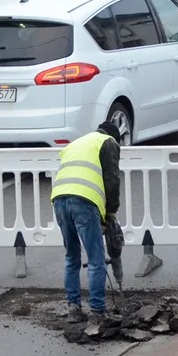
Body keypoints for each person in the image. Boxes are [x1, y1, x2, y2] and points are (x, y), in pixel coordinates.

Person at [51, 122, 122, 323]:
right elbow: (112, 179)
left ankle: (73, 308)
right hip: (84, 201)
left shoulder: (77, 143)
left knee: (71, 256)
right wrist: (111, 213)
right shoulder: (108, 142)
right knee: (95, 258)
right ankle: (98, 311)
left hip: (59, 199)